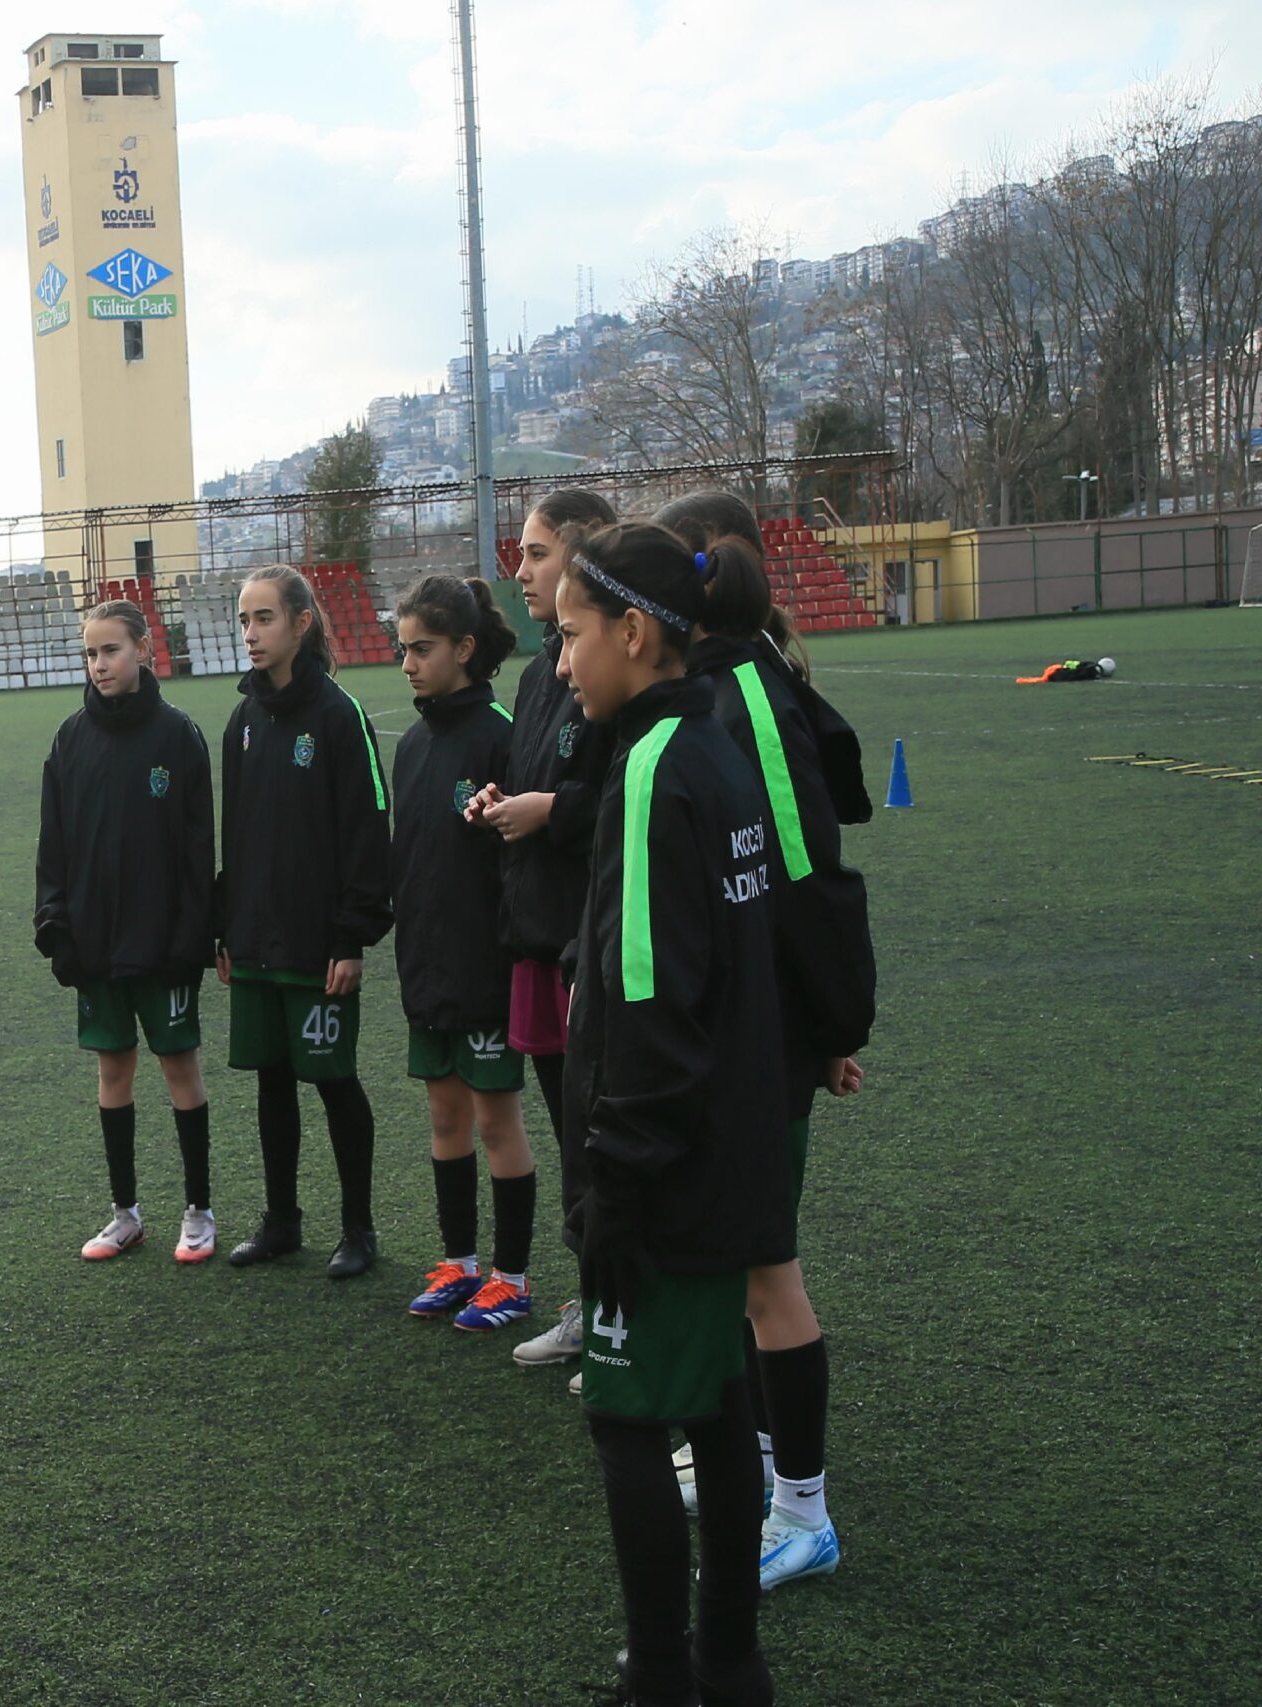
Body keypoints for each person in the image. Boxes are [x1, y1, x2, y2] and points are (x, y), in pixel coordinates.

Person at [555, 522, 790, 1707]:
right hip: (734, 1149)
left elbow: (648, 1001)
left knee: (631, 1419)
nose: (559, 664)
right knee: (721, 1398)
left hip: (670, 1167)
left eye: (570, 635)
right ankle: (731, 1662)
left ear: (632, 633)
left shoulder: (653, 768)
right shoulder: (717, 735)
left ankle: (660, 1677)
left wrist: (616, 1184)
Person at [656, 491, 876, 1593]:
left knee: (763, 1270)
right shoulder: (704, 689)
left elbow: (809, 876)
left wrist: (831, 1028)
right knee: (734, 1267)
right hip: (732, 1031)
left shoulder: (745, 688)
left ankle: (804, 1511)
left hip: (766, 1036)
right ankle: (747, 1458)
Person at [463, 488, 617, 1377]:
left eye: (536, 553)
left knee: (599, 1134)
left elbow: (627, 798)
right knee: (570, 1132)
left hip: (586, 941)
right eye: (520, 555)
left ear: (585, 556)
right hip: (537, 935)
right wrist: (503, 804)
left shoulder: (610, 668)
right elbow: (539, 778)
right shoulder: (539, 669)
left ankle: (618, 1318)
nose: (518, 571)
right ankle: (596, 1304)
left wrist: (550, 809)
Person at [215, 565, 394, 1279]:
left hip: (320, 944)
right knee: (271, 1078)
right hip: (256, 938)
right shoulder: (242, 720)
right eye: (244, 621)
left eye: (264, 618)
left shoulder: (338, 715)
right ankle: (281, 1220)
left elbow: (367, 829)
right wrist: (225, 925)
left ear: (301, 623)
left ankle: (359, 1227)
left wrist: (352, 935)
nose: (252, 634)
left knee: (334, 1079)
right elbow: (237, 831)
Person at [35, 599, 219, 1264]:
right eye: (90, 653)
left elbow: (200, 851)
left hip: (164, 943)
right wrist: (56, 928)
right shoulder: (70, 739)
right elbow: (52, 844)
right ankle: (125, 1212)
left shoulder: (178, 735)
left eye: (111, 650)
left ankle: (198, 1209)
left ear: (144, 650)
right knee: (113, 1069)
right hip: (95, 943)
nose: (100, 664)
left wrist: (191, 937)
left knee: (179, 1068)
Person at [385, 575, 537, 1333]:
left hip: (486, 967)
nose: (407, 662)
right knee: (444, 1115)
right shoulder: (412, 744)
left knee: (495, 1120)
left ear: (466, 649)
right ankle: (460, 1263)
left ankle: (511, 1276)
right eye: (402, 647)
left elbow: (519, 863)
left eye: (423, 648)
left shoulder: (501, 736)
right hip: (427, 966)